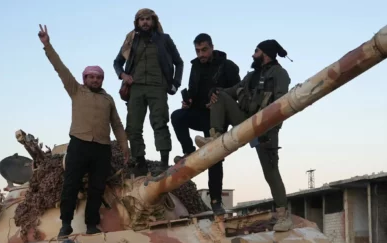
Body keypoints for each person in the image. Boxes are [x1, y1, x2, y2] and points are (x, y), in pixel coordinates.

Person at [37, 25, 130, 238]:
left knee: (97, 188)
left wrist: (124, 146)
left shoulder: (108, 99)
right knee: (71, 185)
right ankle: (66, 224)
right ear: (85, 78)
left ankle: (91, 225)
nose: (95, 80)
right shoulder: (76, 90)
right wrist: (47, 45)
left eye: (98, 78)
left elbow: (117, 125)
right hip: (79, 144)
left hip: (102, 148)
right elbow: (60, 68)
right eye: (91, 77)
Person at [195, 39, 294, 231]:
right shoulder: (252, 76)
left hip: (265, 125)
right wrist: (216, 92)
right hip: (245, 120)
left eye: (256, 51)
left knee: (271, 172)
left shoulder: (280, 74)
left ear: (265, 53)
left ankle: (283, 215)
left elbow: (282, 104)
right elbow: (232, 91)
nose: (253, 55)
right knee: (219, 94)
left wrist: (269, 127)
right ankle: (214, 136)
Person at [170, 33, 240, 215]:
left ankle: (216, 202)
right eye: (198, 50)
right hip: (199, 113)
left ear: (212, 47)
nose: (201, 54)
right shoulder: (195, 67)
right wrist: (188, 102)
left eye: (204, 50)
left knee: (214, 159)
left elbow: (239, 92)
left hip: (217, 119)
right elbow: (193, 90)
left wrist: (220, 95)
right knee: (177, 116)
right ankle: (189, 151)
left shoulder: (228, 66)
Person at [113, 8, 183, 175]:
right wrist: (123, 75)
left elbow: (178, 62)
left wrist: (175, 83)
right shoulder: (131, 40)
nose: (145, 22)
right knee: (133, 126)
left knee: (160, 123)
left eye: (148, 19)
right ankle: (140, 162)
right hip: (136, 87)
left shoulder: (164, 39)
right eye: (141, 19)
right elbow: (117, 62)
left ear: (153, 21)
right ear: (137, 22)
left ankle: (164, 162)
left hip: (158, 86)